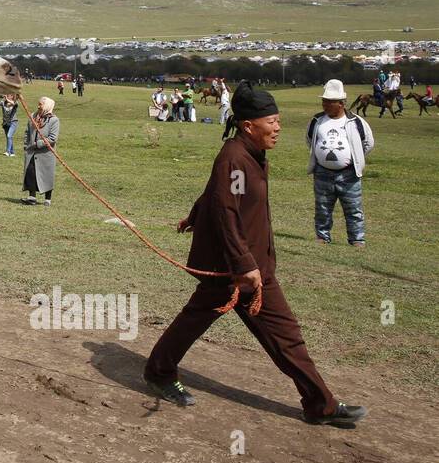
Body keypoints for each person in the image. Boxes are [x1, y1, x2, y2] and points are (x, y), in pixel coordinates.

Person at [143, 81, 367, 428]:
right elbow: (227, 210)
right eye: (272, 122)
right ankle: (159, 371)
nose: (278, 128)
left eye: (278, 121)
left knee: (284, 335)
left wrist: (194, 214)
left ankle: (319, 404)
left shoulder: (250, 154)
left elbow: (216, 197)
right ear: (249, 125)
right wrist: (244, 265)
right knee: (203, 322)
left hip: (254, 268)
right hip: (236, 271)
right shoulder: (234, 158)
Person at [306, 79, 373, 246]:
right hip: (322, 173)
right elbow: (309, 140)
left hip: (349, 173)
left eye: (330, 101)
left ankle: (357, 239)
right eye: (324, 101)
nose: (325, 104)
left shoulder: (355, 121)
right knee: (322, 208)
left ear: (341, 103)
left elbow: (368, 143)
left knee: (353, 209)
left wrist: (354, 157)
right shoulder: (317, 120)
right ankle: (322, 237)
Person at [21, 97, 59, 206]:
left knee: (47, 175)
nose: (38, 106)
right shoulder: (33, 116)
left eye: (41, 104)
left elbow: (53, 138)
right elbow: (27, 132)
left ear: (47, 105)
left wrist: (38, 144)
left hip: (46, 153)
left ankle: (48, 199)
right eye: (38, 104)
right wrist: (26, 144)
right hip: (31, 151)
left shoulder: (54, 120)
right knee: (31, 172)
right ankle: (31, 197)